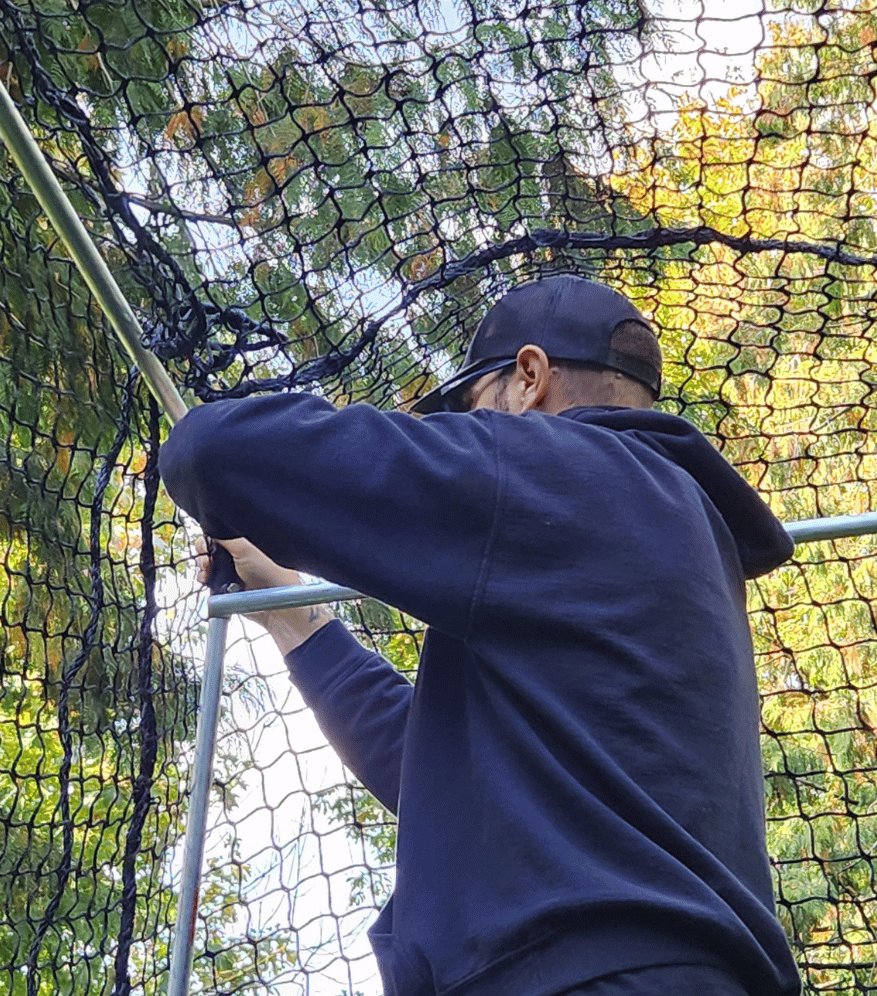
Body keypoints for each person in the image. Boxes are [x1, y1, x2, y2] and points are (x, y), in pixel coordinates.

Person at [159, 274, 803, 996]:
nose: (472, 432)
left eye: (472, 408)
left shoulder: (565, 471)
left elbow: (214, 451)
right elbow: (445, 777)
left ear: (529, 378)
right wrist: (291, 612)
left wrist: (209, 454)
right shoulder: (678, 538)